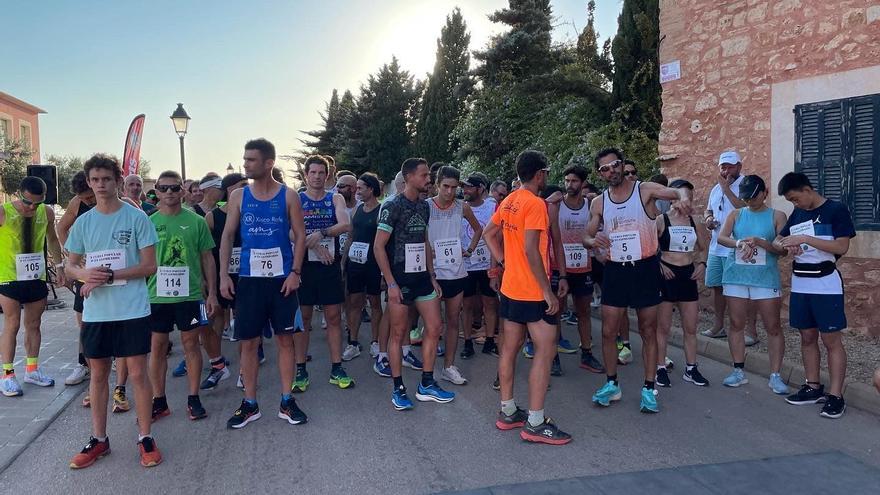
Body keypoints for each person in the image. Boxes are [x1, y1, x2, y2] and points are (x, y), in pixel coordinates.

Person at [65, 154, 162, 468]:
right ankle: (99, 440)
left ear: (118, 181)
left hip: (132, 309)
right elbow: (70, 265)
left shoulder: (136, 218)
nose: (101, 185)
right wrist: (83, 275)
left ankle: (145, 437)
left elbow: (150, 265)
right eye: (95, 180)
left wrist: (109, 275)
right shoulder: (83, 222)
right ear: (89, 183)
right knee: (99, 375)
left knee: (137, 374)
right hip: (97, 313)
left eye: (106, 179)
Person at [584, 148, 691, 414]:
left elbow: (677, 192)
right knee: (609, 331)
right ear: (600, 173)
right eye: (605, 169)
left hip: (644, 267)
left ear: (622, 165)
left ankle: (648, 387)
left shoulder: (644, 190)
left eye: (615, 165)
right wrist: (592, 241)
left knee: (647, 329)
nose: (611, 171)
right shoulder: (599, 202)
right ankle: (612, 384)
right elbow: (586, 236)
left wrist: (684, 198)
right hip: (616, 271)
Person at [482, 150, 570, 444]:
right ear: (539, 174)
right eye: (545, 172)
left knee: (510, 349)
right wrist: (548, 292)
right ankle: (535, 421)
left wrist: (504, 261)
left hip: (510, 289)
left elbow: (488, 233)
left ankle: (507, 411)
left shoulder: (509, 200)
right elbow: (533, 250)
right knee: (545, 351)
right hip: (532, 291)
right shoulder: (535, 204)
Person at [219, 138, 308, 429]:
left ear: (269, 163)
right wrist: (223, 276)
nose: (245, 164)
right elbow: (228, 236)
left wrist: (295, 272)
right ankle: (250, 404)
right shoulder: (239, 197)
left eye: (251, 160)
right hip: (249, 281)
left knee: (285, 340)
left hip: (282, 280)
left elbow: (300, 236)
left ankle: (286, 400)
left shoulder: (289, 196)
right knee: (248, 343)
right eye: (244, 159)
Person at [373, 157, 454, 411]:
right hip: (400, 280)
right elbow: (378, 247)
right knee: (399, 334)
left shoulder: (424, 206)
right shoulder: (392, 206)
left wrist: (432, 276)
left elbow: (424, 241)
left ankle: (427, 383)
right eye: (423, 175)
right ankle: (398, 388)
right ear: (408, 177)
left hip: (422, 279)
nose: (428, 179)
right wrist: (391, 283)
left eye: (428, 175)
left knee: (435, 326)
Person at [776, 172, 855, 418]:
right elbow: (779, 239)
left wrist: (806, 239)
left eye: (795, 199)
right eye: (790, 201)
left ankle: (835, 395)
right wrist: (787, 245)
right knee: (807, 336)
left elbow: (842, 246)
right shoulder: (798, 214)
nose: (794, 204)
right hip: (801, 282)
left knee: (831, 340)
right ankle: (813, 386)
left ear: (807, 189)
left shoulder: (836, 210)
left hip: (825, 284)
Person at [146, 170, 218, 422]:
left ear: (182, 191)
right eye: (163, 188)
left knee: (191, 344)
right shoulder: (149, 222)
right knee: (157, 346)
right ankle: (159, 400)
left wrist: (212, 293)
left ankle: (193, 397)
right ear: (155, 190)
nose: (169, 193)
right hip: (156, 296)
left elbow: (207, 258)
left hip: (191, 294)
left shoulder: (196, 221)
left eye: (174, 188)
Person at [717, 175, 788, 394]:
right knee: (736, 324)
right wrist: (739, 243)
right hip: (736, 275)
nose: (749, 201)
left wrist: (760, 242)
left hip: (765, 278)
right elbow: (721, 238)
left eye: (753, 197)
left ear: (764, 192)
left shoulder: (777, 216)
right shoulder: (736, 214)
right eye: (746, 197)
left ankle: (775, 375)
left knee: (773, 326)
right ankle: (738, 370)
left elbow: (783, 249)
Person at [292, 155, 354, 392]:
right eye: (313, 173)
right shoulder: (297, 199)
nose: (317, 177)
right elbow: (288, 231)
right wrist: (314, 243)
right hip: (304, 265)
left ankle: (336, 366)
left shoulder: (334, 198)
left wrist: (322, 233)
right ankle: (300, 368)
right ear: (306, 175)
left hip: (329, 266)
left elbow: (345, 224)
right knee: (304, 319)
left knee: (333, 318)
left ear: (327, 176)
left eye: (321, 173)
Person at [1, 177, 65, 397]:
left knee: (34, 324)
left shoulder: (45, 212)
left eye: (36, 203)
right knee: (12, 323)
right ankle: (8, 375)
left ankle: (32, 369)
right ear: (19, 194)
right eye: (27, 202)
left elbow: (53, 239)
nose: (31, 207)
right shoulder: (4, 212)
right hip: (9, 276)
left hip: (35, 275)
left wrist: (60, 266)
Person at [427, 165, 483, 386]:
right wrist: (427, 251)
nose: (449, 192)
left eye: (453, 187)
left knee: (452, 321)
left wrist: (468, 250)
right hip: (431, 273)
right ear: (436, 184)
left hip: (455, 272)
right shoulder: (425, 207)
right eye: (445, 187)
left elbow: (479, 229)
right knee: (432, 325)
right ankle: (427, 371)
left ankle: (448, 366)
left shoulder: (462, 207)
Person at [655, 179, 710, 387]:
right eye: (684, 197)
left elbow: (704, 247)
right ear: (673, 197)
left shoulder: (694, 221)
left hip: (687, 275)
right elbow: (650, 249)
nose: (688, 202)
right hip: (667, 276)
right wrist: (660, 264)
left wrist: (702, 263)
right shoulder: (661, 220)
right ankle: (660, 367)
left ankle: (691, 368)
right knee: (663, 327)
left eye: (690, 197)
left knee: (690, 327)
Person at [702, 151, 758, 346]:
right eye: (723, 167)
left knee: (744, 289)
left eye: (730, 166)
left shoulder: (747, 184)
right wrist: (708, 219)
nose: (726, 170)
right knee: (717, 287)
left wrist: (726, 188)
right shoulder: (715, 188)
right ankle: (719, 326)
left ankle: (751, 331)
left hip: (739, 246)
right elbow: (708, 209)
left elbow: (745, 209)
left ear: (739, 166)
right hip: (717, 246)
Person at [552, 165, 604, 373]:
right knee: (556, 311)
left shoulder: (590, 205)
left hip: (583, 266)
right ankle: (552, 356)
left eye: (574, 181)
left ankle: (587, 354)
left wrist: (596, 249)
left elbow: (597, 231)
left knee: (583, 311)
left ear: (582, 183)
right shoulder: (556, 205)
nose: (569, 185)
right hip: (559, 267)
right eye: (566, 181)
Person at [201, 173, 247, 390]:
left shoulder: (249, 214)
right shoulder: (212, 217)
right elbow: (204, 251)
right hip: (220, 275)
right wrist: (205, 280)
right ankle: (218, 365)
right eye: (241, 186)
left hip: (245, 276)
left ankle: (243, 371)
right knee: (216, 320)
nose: (246, 189)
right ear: (229, 189)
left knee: (242, 324)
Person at [341, 174, 385, 370]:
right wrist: (343, 261)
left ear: (371, 189)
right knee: (354, 303)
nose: (356, 191)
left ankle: (375, 342)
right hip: (355, 263)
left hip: (374, 264)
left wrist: (385, 270)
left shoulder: (381, 210)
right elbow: (351, 235)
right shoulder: (358, 209)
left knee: (375, 302)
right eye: (356, 188)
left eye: (360, 188)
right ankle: (353, 342)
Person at [57, 171, 95, 390]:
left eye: (90, 198)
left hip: (114, 269)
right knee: (84, 321)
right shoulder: (76, 203)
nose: (88, 202)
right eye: (84, 199)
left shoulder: (118, 202)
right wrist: (71, 256)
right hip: (86, 269)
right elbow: (61, 228)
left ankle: (119, 359)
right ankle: (83, 363)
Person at [460, 174, 499, 357]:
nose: (465, 191)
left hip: (486, 264)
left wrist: (495, 269)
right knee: (466, 304)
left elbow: (498, 237)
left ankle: (490, 340)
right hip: (465, 264)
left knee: (489, 303)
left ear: (481, 188)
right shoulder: (460, 206)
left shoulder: (492, 207)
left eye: (469, 187)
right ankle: (467, 342)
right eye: (464, 187)